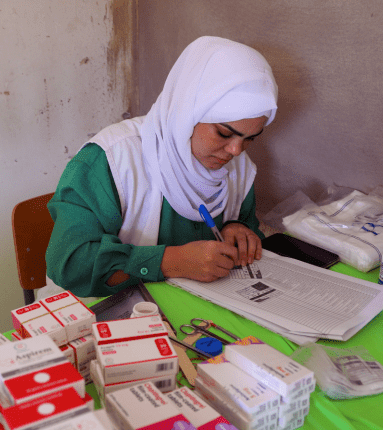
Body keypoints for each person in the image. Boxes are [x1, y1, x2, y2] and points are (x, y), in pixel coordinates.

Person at [43, 36, 278, 298]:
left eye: (250, 139)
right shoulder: (111, 160)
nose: (236, 151)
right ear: (189, 111)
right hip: (99, 315)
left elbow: (243, 226)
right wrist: (170, 261)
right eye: (224, 133)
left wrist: (236, 230)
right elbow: (71, 264)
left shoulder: (239, 168)